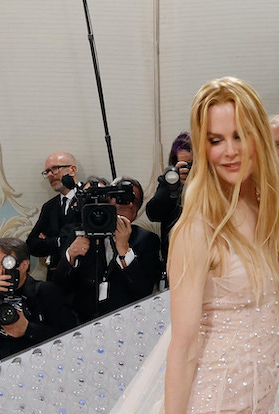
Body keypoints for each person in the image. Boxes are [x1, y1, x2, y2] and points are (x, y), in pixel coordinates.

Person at [58, 77, 279, 414]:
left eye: (239, 136)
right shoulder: (197, 229)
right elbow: (183, 346)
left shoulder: (271, 216)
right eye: (216, 140)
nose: (229, 150)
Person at [54, 177, 161, 323]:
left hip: (126, 321)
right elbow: (59, 286)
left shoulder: (147, 240)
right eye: (120, 198)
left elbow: (144, 291)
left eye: (134, 201)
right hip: (81, 322)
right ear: (108, 200)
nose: (128, 204)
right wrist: (70, 256)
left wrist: (124, 250)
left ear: (138, 209)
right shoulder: (79, 234)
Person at [0, 237, 78, 359]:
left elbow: (70, 334)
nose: (1, 271)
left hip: (37, 365)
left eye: (6, 264)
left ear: (24, 265)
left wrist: (28, 329)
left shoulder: (46, 291)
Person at [26, 152, 80, 281]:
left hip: (84, 278)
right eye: (47, 172)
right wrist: (59, 241)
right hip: (55, 280)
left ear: (72, 170)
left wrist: (48, 242)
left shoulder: (90, 199)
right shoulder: (49, 207)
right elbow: (31, 244)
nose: (50, 175)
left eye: (55, 169)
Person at [146, 132, 192, 263]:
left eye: (190, 163)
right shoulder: (168, 182)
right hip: (175, 254)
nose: (186, 169)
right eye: (181, 164)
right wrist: (172, 187)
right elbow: (153, 214)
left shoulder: (210, 182)